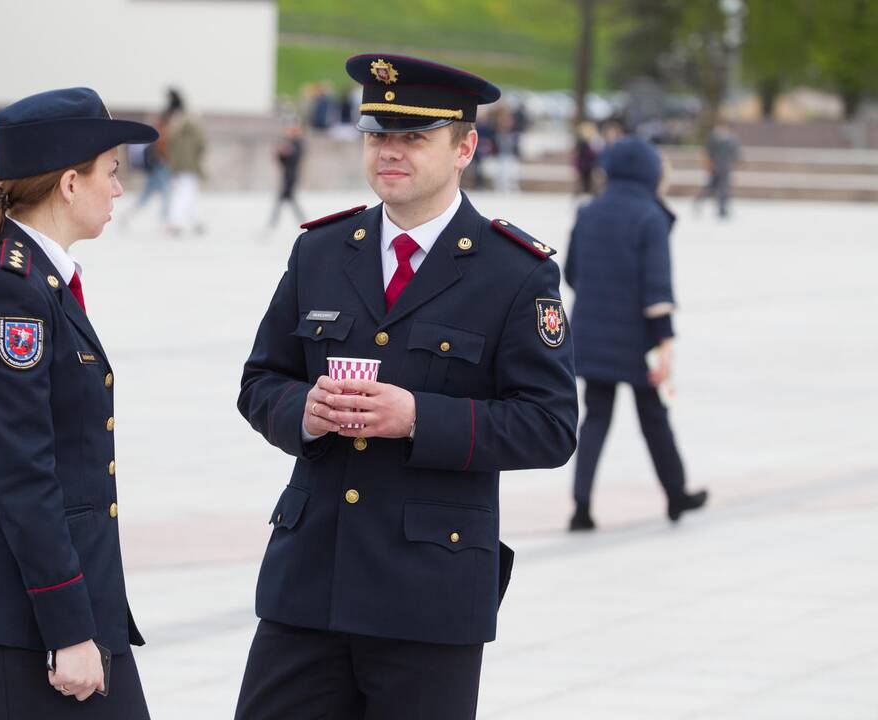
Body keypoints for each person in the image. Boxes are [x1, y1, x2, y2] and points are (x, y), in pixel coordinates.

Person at [234, 53, 578, 719]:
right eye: (378, 135)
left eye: (413, 137)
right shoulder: (323, 251)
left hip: (428, 595)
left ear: (465, 147)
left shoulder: (514, 272)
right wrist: (302, 409)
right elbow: (260, 380)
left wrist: (419, 417)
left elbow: (551, 424)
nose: (390, 152)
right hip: (309, 583)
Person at [0, 87, 156, 717]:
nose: (119, 189)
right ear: (71, 183)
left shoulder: (35, 281)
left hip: (55, 616)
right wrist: (69, 628)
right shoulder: (8, 294)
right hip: (16, 630)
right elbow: (23, 471)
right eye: (112, 171)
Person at [564, 137, 708, 531]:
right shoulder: (651, 217)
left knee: (595, 419)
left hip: (592, 334)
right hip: (638, 338)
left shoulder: (588, 211)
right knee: (654, 418)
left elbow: (571, 272)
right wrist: (665, 342)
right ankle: (676, 494)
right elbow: (656, 287)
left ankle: (581, 505)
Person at [162, 88, 206, 236]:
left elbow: (172, 150)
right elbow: (202, 145)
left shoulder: (175, 131)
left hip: (181, 167)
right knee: (185, 193)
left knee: (186, 193)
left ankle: (194, 221)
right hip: (189, 167)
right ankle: (176, 222)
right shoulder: (193, 131)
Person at [695, 121, 740, 219]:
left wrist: (734, 163)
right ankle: (699, 202)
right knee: (711, 187)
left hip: (725, 168)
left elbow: (735, 153)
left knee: (724, 188)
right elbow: (707, 153)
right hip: (714, 167)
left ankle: (722, 209)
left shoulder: (731, 139)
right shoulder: (713, 139)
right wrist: (708, 165)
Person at [268, 119, 306, 227]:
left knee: (285, 200)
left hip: (292, 176)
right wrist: (281, 153)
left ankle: (272, 223)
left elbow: (296, 157)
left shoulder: (299, 144)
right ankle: (302, 221)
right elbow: (281, 160)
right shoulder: (288, 143)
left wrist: (287, 152)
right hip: (286, 176)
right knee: (289, 201)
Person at [574, 121, 600, 197]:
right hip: (585, 165)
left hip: (585, 164)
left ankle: (586, 191)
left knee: (586, 180)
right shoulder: (583, 142)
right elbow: (588, 153)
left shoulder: (585, 142)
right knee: (586, 180)